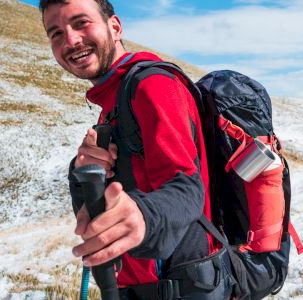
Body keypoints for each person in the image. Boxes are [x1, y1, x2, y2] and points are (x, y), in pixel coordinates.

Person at [39, 0, 220, 296]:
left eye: (81, 23)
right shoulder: (113, 98)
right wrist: (81, 173)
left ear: (115, 27)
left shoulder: (153, 86)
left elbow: (188, 189)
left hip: (181, 287)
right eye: (56, 33)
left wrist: (142, 217)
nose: (70, 40)